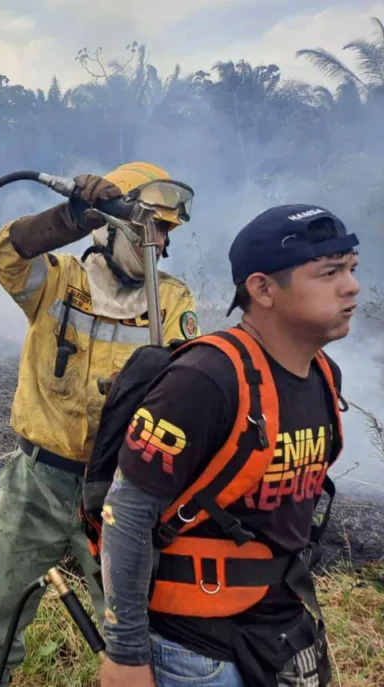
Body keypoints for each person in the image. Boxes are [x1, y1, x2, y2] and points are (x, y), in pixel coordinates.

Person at [98, 204, 360, 687]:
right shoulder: (205, 381)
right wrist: (126, 655)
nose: (352, 286)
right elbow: (126, 514)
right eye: (329, 273)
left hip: (281, 630)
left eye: (350, 269)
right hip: (196, 654)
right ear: (262, 289)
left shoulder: (324, 374)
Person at [0, 162, 201, 686]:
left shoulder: (171, 301)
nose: (162, 245)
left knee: (133, 623)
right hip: (38, 482)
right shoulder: (56, 281)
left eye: (167, 232)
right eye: (155, 228)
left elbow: (186, 386)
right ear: (115, 224)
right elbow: (2, 252)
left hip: (120, 487)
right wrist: (73, 216)